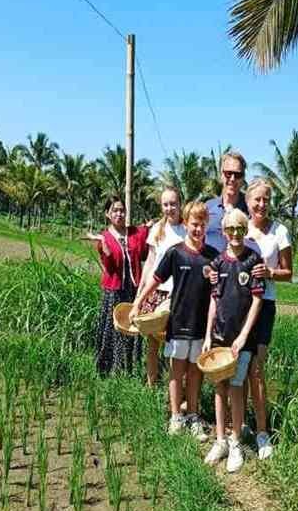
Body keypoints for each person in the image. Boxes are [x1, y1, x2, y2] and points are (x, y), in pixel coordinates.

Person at [131, 200, 217, 439]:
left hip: (201, 326)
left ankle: (193, 415)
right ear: (186, 224)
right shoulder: (175, 253)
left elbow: (217, 294)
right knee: (176, 370)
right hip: (178, 322)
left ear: (207, 225)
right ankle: (175, 416)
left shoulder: (213, 257)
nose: (198, 229)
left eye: (202, 225)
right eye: (194, 224)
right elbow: (155, 280)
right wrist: (138, 303)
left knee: (195, 372)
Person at [203, 209, 265, 473]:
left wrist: (243, 336)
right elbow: (214, 301)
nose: (235, 233)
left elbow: (257, 300)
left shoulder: (253, 261)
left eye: (240, 228)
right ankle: (220, 440)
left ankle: (236, 441)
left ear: (245, 230)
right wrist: (208, 334)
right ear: (224, 232)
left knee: (237, 387)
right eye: (230, 229)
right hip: (219, 337)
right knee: (220, 387)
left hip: (242, 341)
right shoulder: (218, 263)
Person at [244, 178, 293, 459]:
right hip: (239, 305)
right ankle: (237, 425)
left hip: (265, 306)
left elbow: (289, 272)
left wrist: (270, 272)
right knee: (237, 367)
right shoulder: (239, 227)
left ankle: (262, 432)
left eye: (266, 200)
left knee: (257, 369)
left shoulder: (280, 232)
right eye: (257, 199)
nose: (261, 204)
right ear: (248, 201)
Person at [84, 195, 149, 376]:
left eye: (122, 210)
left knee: (132, 327)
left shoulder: (135, 233)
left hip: (133, 289)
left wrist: (149, 227)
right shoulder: (105, 237)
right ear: (107, 214)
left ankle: (131, 368)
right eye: (115, 211)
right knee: (113, 329)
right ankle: (110, 370)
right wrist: (103, 245)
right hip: (114, 290)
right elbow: (110, 266)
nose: (119, 214)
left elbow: (144, 253)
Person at [135, 187, 185, 387]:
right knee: (152, 342)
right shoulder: (157, 228)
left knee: (174, 343)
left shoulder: (187, 229)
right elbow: (150, 261)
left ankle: (174, 390)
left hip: (177, 293)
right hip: (156, 290)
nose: (169, 208)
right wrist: (142, 290)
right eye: (165, 204)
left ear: (180, 204)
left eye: (173, 204)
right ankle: (151, 384)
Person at [205, 150, 249, 252]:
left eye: (237, 175)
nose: (232, 179)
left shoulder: (250, 209)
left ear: (243, 178)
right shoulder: (207, 208)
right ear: (221, 175)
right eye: (228, 173)